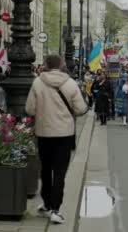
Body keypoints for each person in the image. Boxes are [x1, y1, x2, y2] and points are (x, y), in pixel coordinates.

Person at [25, 55, 88, 225]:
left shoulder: (38, 83)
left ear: (46, 65)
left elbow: (29, 109)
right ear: (61, 66)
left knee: (45, 169)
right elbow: (81, 109)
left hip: (44, 132)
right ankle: (56, 209)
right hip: (64, 135)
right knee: (60, 172)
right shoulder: (70, 84)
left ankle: (46, 204)